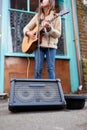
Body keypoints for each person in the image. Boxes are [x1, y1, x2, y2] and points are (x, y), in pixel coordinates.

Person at [23, 0, 61, 79]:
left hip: (51, 46)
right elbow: (26, 28)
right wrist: (28, 33)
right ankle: (37, 90)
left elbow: (58, 34)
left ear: (50, 1)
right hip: (38, 45)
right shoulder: (37, 16)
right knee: (38, 69)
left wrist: (49, 28)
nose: (41, 1)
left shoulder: (56, 16)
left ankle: (52, 90)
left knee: (50, 68)